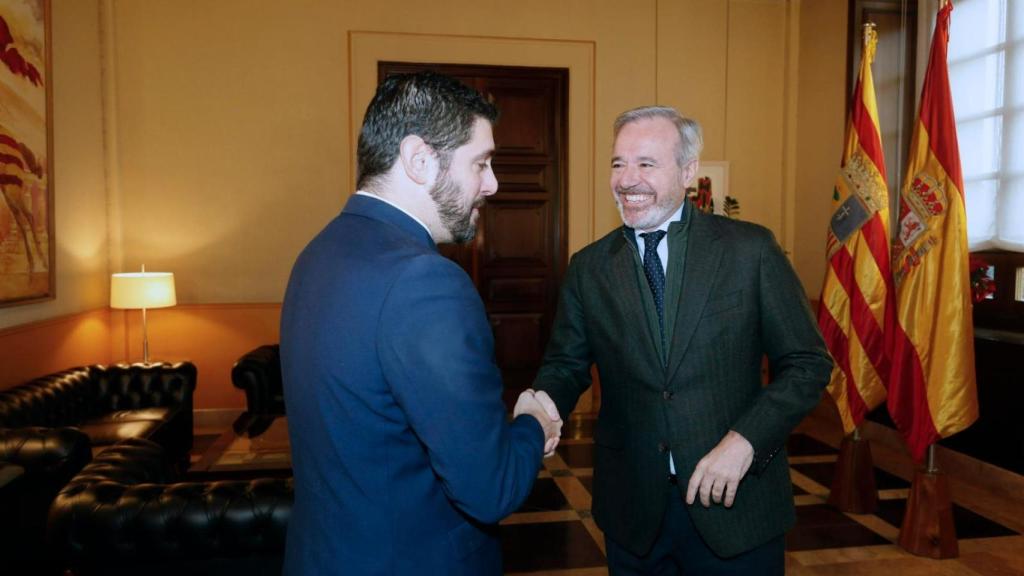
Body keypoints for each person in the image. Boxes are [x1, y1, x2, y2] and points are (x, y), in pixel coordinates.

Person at [280, 71, 562, 576]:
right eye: (481, 162)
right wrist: (533, 425)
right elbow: (490, 488)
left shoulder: (317, 253)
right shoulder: (426, 282)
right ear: (419, 159)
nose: (493, 184)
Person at [533, 106, 833, 575]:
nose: (626, 180)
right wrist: (541, 405)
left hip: (737, 505)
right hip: (633, 511)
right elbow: (565, 366)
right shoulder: (589, 268)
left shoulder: (750, 250)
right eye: (618, 163)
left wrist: (746, 441)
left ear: (688, 171)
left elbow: (807, 363)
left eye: (646, 163)